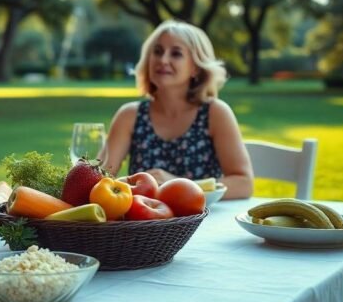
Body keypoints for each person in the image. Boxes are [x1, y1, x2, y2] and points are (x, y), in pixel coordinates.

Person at [100, 20, 253, 199]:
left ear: (195, 67)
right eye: (157, 51)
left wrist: (177, 184)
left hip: (203, 216)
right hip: (145, 217)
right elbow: (100, 177)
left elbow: (244, 184)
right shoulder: (129, 115)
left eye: (176, 53)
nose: (163, 60)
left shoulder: (215, 113)